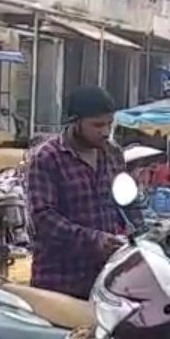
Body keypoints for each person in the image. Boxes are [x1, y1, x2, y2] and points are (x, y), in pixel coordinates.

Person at [27, 86, 131, 299]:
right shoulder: (47, 157)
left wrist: (134, 230)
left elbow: (126, 203)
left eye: (109, 124)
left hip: (106, 279)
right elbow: (43, 218)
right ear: (75, 122)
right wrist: (94, 240)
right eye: (97, 125)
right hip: (60, 281)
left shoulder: (113, 154)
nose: (105, 132)